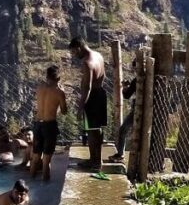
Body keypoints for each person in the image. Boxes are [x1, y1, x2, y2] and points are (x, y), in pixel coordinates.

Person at [69, 36, 106, 169]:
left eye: (73, 52)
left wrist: (81, 107)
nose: (73, 55)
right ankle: (97, 159)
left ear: (79, 48)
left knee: (91, 131)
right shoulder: (98, 56)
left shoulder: (86, 62)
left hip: (92, 97)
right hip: (101, 93)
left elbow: (88, 87)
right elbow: (103, 75)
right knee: (97, 130)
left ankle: (94, 161)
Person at [30, 65, 68, 181]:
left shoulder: (39, 88)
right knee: (46, 161)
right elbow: (64, 111)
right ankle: (44, 189)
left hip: (37, 125)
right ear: (58, 78)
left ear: (47, 76)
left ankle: (30, 183)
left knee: (36, 157)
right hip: (49, 125)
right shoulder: (59, 92)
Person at [110, 77, 137, 163]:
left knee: (123, 130)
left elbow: (127, 95)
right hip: (152, 110)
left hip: (137, 110)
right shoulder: (154, 77)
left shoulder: (137, 80)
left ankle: (120, 154)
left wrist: (125, 86)